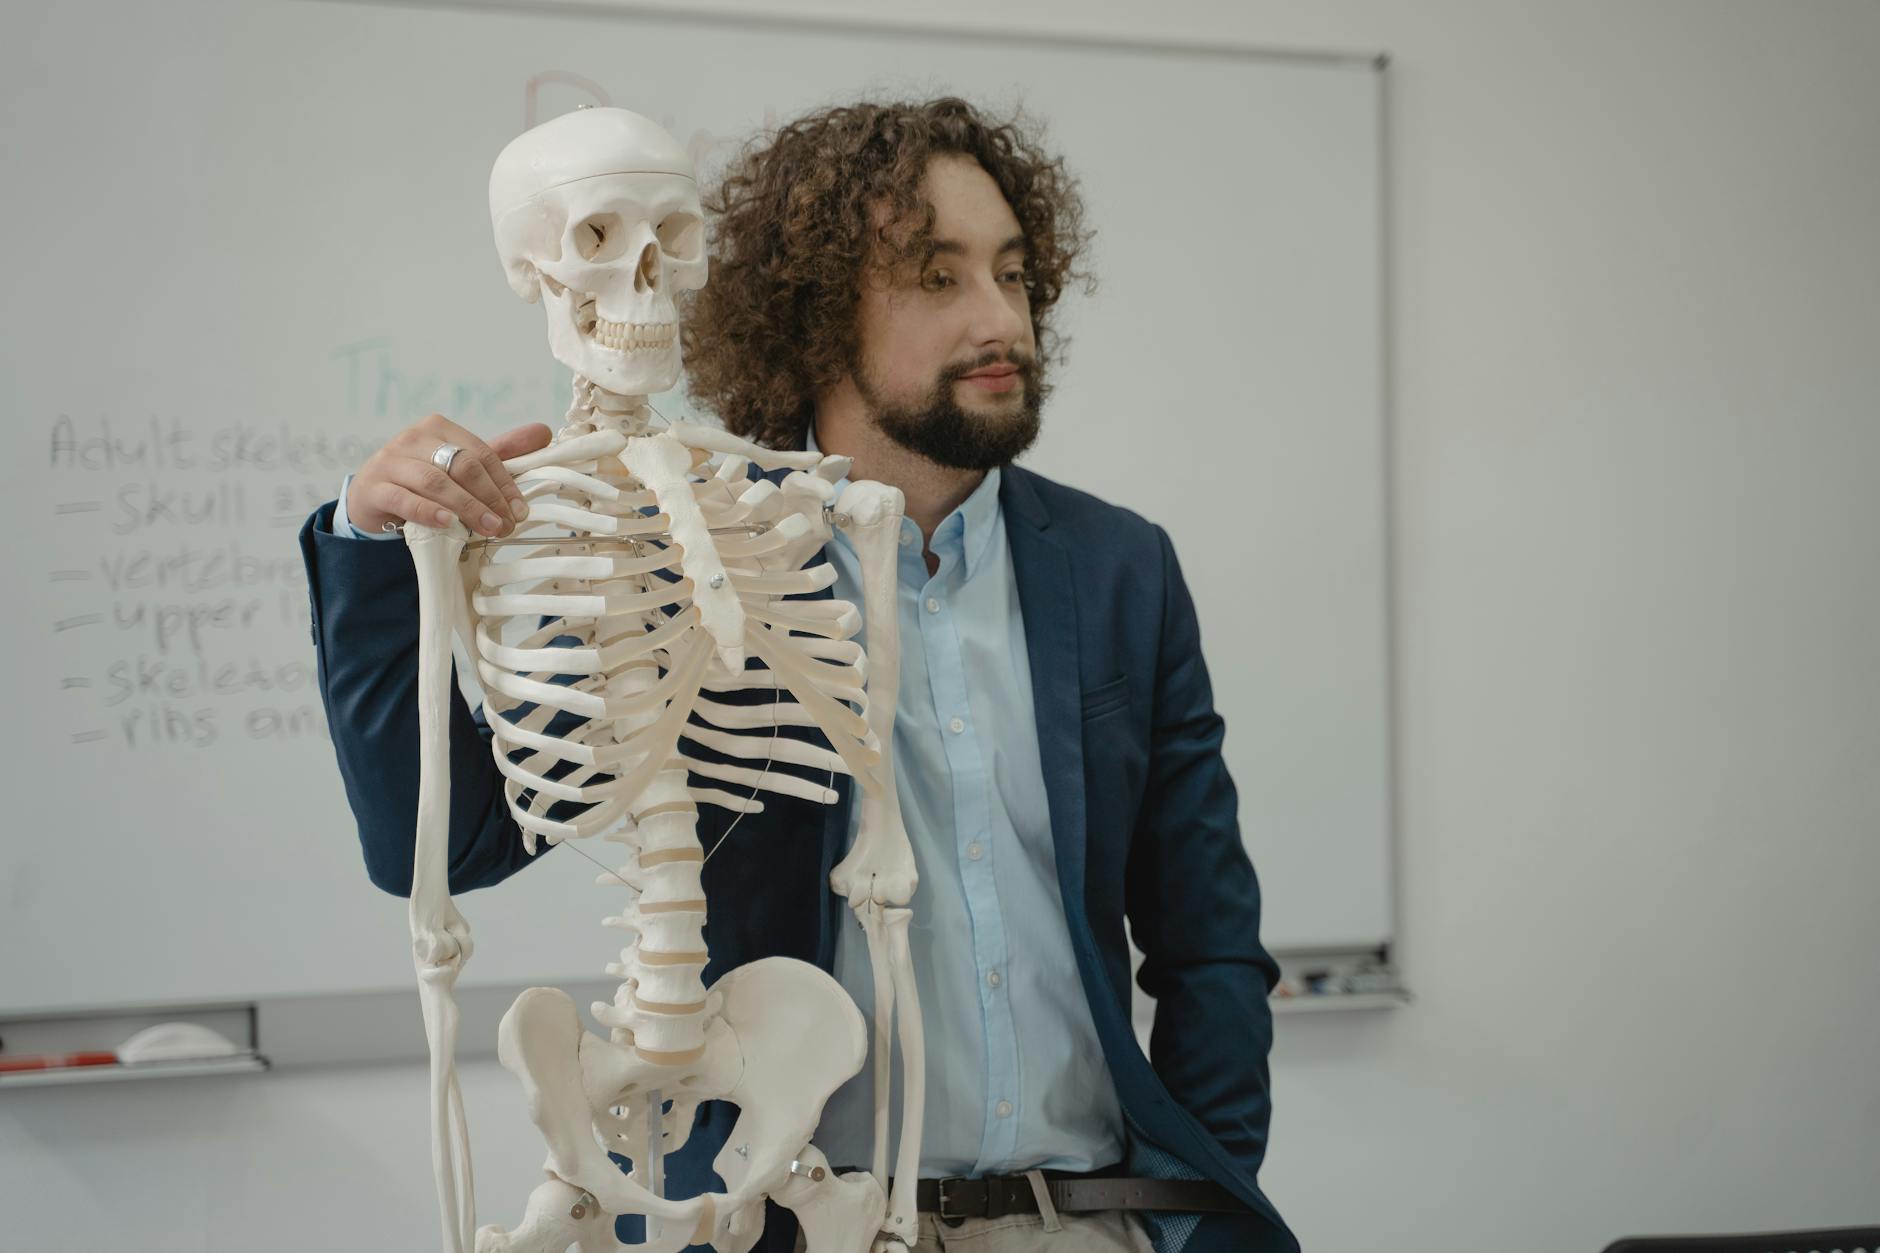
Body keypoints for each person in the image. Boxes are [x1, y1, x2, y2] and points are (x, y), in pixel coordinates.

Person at [300, 97, 1297, 1253]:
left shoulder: (1121, 567)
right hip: (790, 1220)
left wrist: (1206, 1204)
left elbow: (1208, 940)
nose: (999, 319)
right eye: (936, 276)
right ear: (814, 316)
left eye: (1013, 274)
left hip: (1089, 1222)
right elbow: (444, 841)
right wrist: (374, 549)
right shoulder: (689, 555)